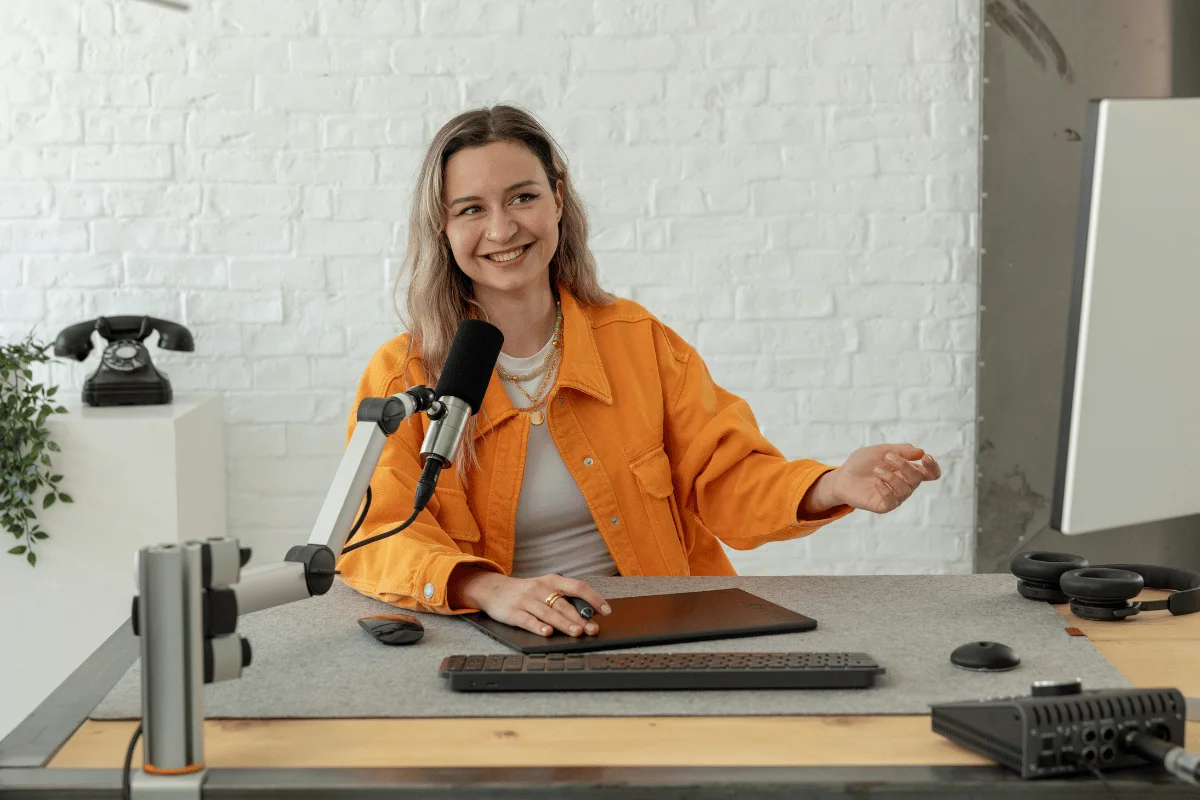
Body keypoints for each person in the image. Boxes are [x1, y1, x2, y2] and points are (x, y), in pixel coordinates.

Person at [337, 105, 942, 640]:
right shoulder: (404, 375)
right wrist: (487, 588)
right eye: (471, 209)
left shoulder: (637, 340)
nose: (501, 229)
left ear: (558, 198)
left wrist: (833, 484)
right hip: (492, 639)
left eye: (523, 197)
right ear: (441, 230)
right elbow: (377, 532)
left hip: (656, 633)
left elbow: (726, 478)